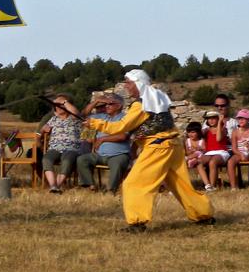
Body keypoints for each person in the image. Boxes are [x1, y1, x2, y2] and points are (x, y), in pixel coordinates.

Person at [86, 69, 214, 232]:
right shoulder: (156, 98)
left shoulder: (141, 104)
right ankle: (203, 215)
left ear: (138, 83)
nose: (126, 86)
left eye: (128, 82)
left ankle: (137, 222)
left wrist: (94, 123)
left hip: (158, 147)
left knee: (134, 183)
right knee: (181, 185)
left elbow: (121, 126)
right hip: (173, 145)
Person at [77, 93, 131, 193]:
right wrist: (97, 101)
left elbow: (123, 136)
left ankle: (111, 190)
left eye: (110, 104)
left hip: (118, 154)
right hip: (100, 155)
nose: (106, 106)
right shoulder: (101, 117)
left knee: (117, 164)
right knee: (82, 159)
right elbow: (83, 115)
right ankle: (92, 186)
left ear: (119, 106)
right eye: (105, 104)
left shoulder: (125, 118)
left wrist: (102, 139)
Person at [39, 95, 81, 194]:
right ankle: (53, 185)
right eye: (56, 106)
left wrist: (64, 102)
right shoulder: (53, 119)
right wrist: (43, 129)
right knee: (46, 159)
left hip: (71, 148)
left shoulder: (74, 118)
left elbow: (75, 112)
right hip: (55, 148)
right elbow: (41, 132)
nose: (58, 107)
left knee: (67, 160)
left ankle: (57, 186)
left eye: (60, 105)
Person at [198, 110, 230, 192]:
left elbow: (218, 138)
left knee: (213, 162)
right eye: (209, 119)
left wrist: (220, 123)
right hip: (209, 152)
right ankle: (207, 185)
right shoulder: (206, 130)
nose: (211, 120)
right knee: (198, 162)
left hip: (222, 152)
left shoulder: (223, 129)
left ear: (218, 119)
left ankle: (212, 186)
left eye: (213, 118)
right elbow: (196, 136)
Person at [182, 121, 208, 186]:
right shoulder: (187, 141)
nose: (190, 134)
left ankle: (188, 159)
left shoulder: (201, 140)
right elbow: (187, 152)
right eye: (189, 132)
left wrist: (198, 148)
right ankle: (190, 161)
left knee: (197, 153)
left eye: (193, 132)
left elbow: (204, 149)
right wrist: (191, 151)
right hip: (191, 157)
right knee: (193, 155)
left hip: (200, 156)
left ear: (198, 132)